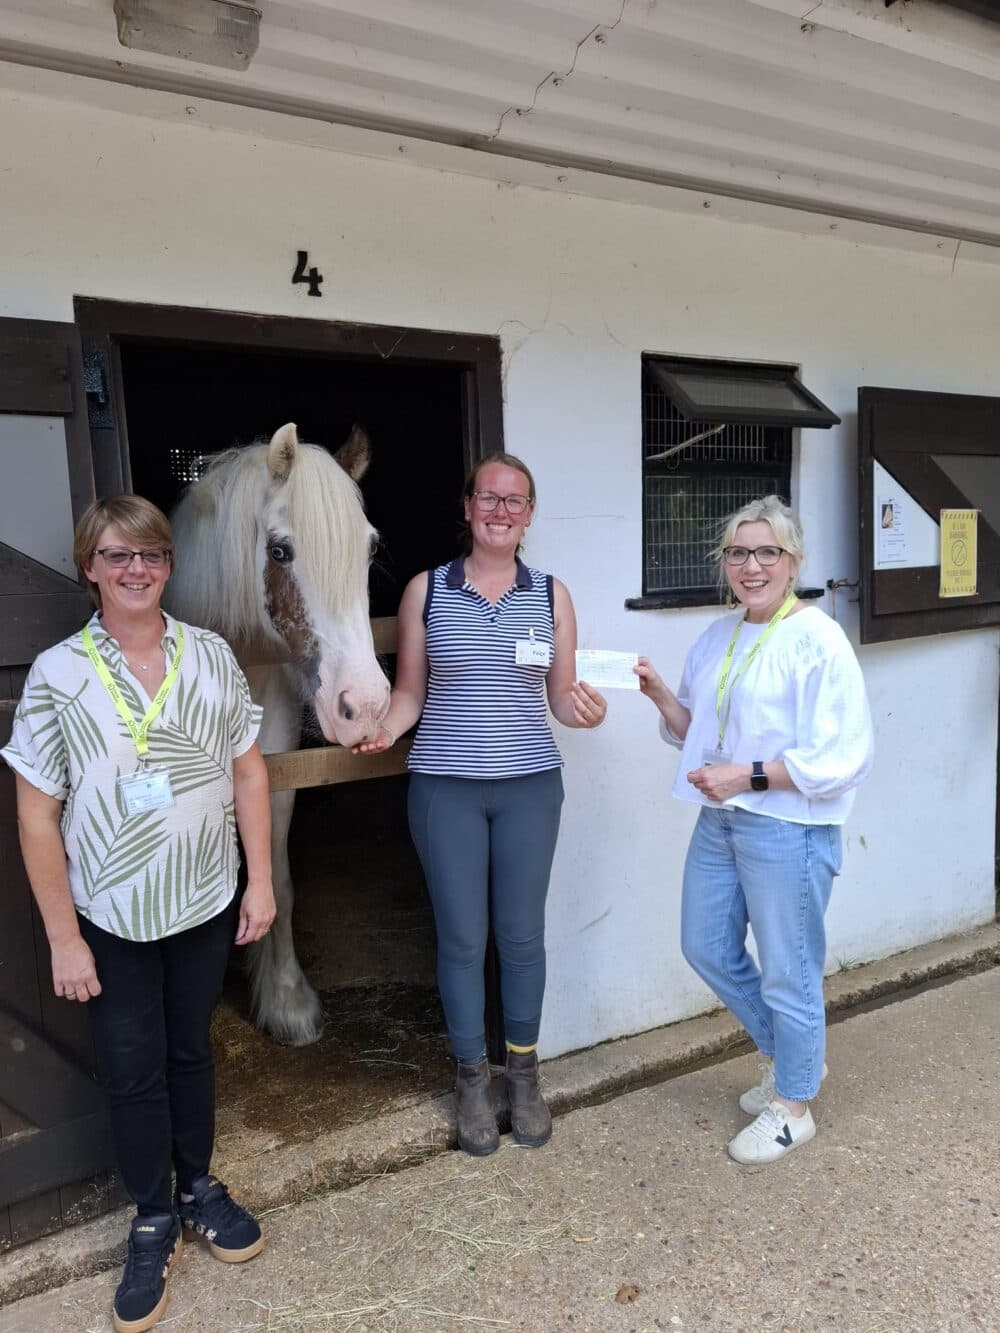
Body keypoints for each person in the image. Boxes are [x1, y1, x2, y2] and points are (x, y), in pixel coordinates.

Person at [3, 495, 275, 1333]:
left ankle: (198, 1184)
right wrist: (61, 937)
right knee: (131, 1064)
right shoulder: (59, 673)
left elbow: (250, 773)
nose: (136, 570)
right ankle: (151, 1213)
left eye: (150, 555)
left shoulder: (211, 656)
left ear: (168, 565)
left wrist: (260, 881)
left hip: (201, 895)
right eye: (117, 556)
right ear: (90, 566)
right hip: (113, 915)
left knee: (191, 1049)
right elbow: (36, 811)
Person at [355, 453, 607, 1156]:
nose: (500, 511)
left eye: (515, 500)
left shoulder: (552, 595)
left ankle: (522, 1075)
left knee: (521, 936)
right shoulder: (425, 592)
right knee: (463, 939)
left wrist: (581, 710)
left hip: (530, 787)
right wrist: (385, 725)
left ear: (530, 514)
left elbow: (559, 694)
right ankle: (471, 1079)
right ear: (466, 507)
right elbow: (410, 690)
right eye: (488, 498)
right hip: (445, 788)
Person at [636, 495, 873, 1166]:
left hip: (788, 829)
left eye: (767, 551)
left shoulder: (819, 638)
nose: (751, 564)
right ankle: (799, 1058)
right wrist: (658, 693)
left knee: (788, 970)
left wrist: (747, 776)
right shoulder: (719, 636)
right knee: (704, 942)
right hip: (723, 821)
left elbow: (843, 758)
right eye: (738, 552)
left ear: (792, 560)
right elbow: (700, 737)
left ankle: (793, 1107)